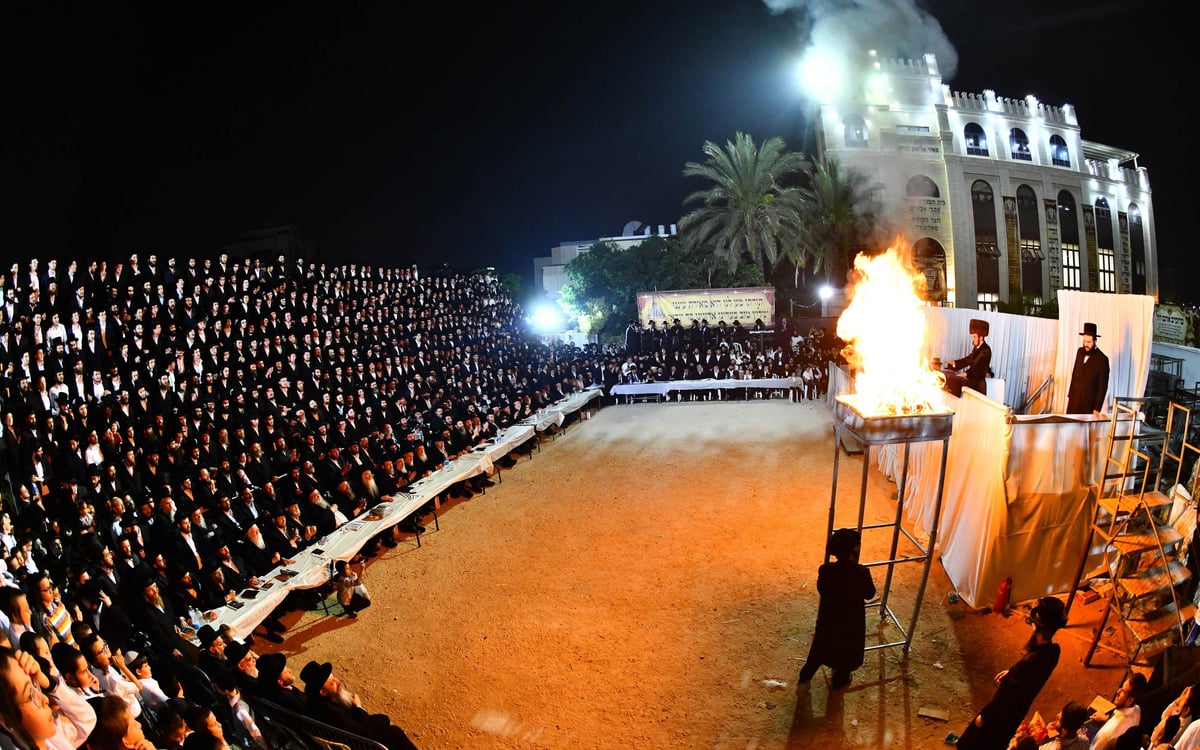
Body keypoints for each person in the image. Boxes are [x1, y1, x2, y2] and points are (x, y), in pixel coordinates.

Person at [954, 596, 1067, 750]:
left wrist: (985, 716)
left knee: (976, 743)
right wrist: (1013, 672)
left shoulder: (1028, 664)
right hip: (1016, 714)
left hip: (1001, 717)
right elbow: (1030, 675)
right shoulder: (1054, 652)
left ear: (1036, 627)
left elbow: (1004, 698)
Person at [796, 528, 876, 690]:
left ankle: (806, 676)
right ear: (854, 549)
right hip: (851, 623)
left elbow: (822, 591)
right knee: (845, 656)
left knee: (819, 650)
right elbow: (870, 594)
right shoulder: (861, 572)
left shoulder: (825, 570)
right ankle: (839, 681)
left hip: (829, 619)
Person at [299, 660, 417, 749]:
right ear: (323, 692)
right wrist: (359, 707)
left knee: (384, 722)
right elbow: (363, 732)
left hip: (344, 735)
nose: (338, 682)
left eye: (334, 678)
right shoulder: (333, 712)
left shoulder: (312, 701)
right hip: (359, 744)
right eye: (332, 683)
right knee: (394, 732)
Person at [1088, 672, 1146, 750]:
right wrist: (1106, 719)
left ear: (1130, 700)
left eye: (1123, 692)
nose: (1118, 692)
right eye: (1121, 688)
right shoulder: (1137, 710)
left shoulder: (1107, 734)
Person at [1065, 322, 1110, 415]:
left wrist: (1097, 409)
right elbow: (1074, 375)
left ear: (1095, 341)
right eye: (1084, 341)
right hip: (1074, 401)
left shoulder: (1102, 360)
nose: (1086, 344)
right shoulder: (1080, 352)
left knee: (1082, 429)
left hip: (1088, 405)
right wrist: (1070, 396)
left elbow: (1103, 387)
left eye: (1089, 342)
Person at [942, 318, 992, 397]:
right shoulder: (976, 348)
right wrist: (954, 363)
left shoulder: (986, 350)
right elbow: (968, 360)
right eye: (973, 337)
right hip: (971, 383)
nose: (973, 340)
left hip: (979, 386)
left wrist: (966, 373)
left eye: (975, 337)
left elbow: (978, 367)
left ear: (981, 337)